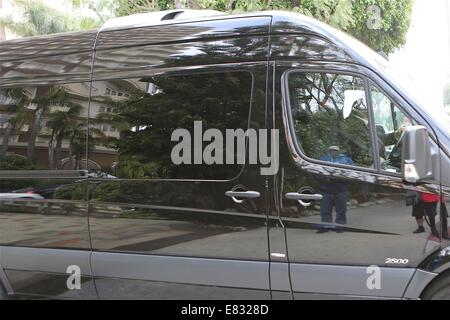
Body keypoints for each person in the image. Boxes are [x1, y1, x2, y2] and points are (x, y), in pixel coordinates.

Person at [316, 146, 354, 233]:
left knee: (341, 210)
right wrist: (324, 179)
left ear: (339, 151)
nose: (333, 152)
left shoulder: (347, 160)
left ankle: (339, 226)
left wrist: (339, 178)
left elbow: (352, 173)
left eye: (335, 150)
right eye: (331, 150)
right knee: (325, 209)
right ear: (328, 151)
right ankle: (326, 226)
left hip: (341, 189)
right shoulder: (323, 159)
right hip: (325, 189)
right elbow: (316, 172)